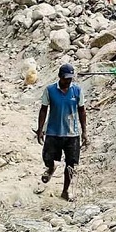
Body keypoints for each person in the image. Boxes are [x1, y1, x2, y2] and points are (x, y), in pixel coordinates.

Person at [36, 63, 88, 201]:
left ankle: (65, 191)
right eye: (66, 78)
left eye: (70, 78)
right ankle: (51, 167)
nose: (68, 81)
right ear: (59, 76)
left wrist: (84, 132)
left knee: (71, 164)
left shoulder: (77, 91)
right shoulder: (50, 90)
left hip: (72, 134)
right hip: (53, 131)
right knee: (47, 157)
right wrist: (40, 129)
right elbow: (43, 109)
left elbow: (82, 111)